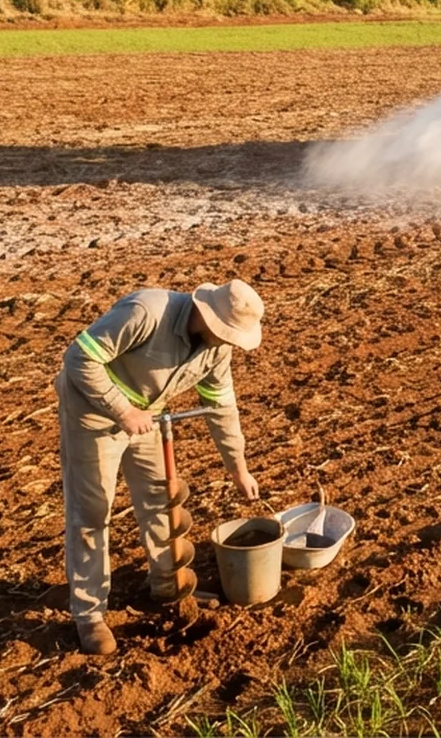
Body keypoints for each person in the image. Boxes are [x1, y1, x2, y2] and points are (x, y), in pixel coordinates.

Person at [55, 279, 265, 655]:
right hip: (91, 412)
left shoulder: (217, 351)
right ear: (208, 315)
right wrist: (122, 410)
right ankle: (89, 614)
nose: (232, 342)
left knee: (159, 498)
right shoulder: (147, 313)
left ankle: (169, 585)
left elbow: (222, 408)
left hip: (146, 416)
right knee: (92, 512)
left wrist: (238, 468)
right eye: (229, 334)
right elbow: (79, 359)